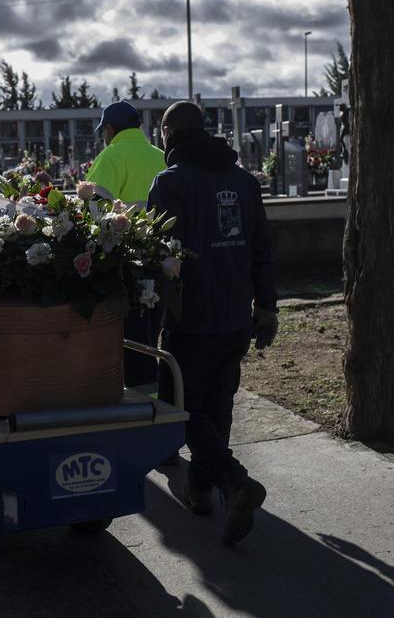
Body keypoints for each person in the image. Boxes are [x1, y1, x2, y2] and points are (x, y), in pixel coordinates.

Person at [147, 101, 279, 546]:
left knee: (178, 406)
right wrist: (267, 307)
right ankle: (203, 490)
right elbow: (261, 248)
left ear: (168, 133)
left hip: (192, 319)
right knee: (217, 406)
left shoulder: (170, 184)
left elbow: (162, 257)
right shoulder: (244, 182)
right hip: (235, 317)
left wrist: (150, 314)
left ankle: (233, 481)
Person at [86, 100, 168, 392]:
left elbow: (93, 212)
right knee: (151, 335)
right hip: (163, 260)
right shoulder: (161, 155)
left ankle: (141, 405)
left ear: (109, 129)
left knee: (131, 341)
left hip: (124, 263)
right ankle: (156, 398)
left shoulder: (110, 157)